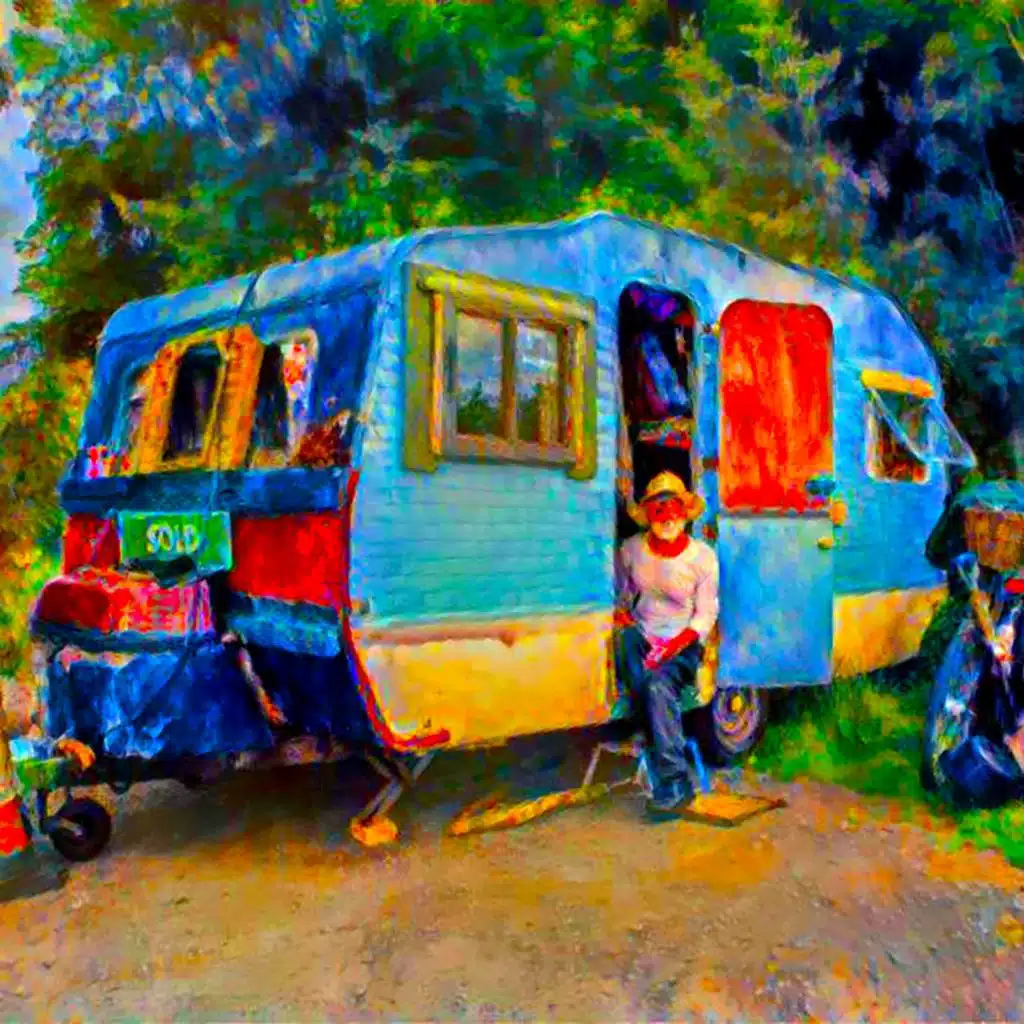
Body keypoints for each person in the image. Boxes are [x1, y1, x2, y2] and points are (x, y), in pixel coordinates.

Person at [614, 471, 719, 820]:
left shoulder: (702, 557)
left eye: (674, 507)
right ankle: (655, 734)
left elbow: (705, 616)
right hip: (643, 637)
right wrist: (623, 617)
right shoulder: (631, 550)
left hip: (683, 643)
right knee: (625, 643)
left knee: (658, 685)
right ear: (648, 515)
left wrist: (672, 646)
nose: (668, 517)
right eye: (659, 509)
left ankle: (674, 782)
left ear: (685, 512)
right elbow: (621, 596)